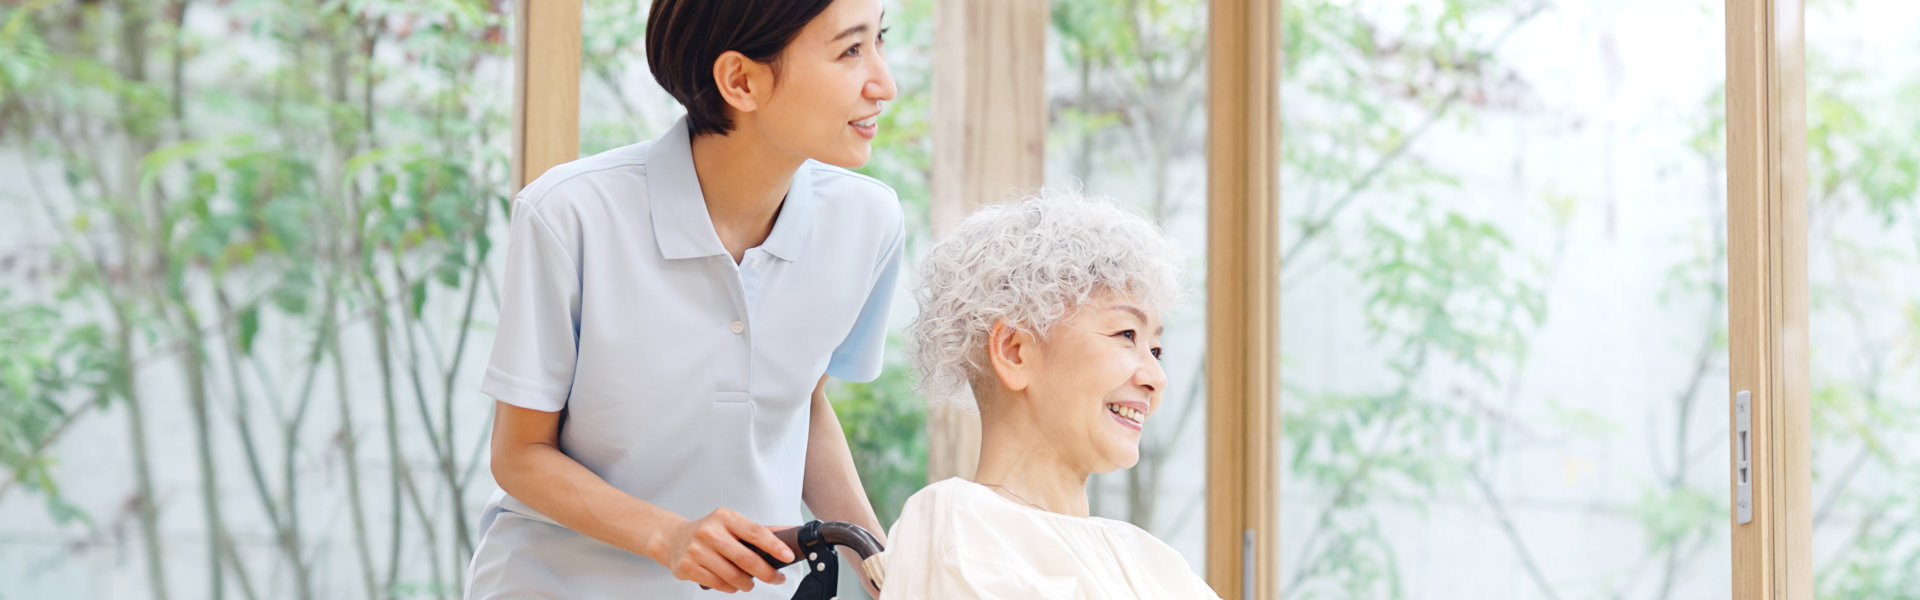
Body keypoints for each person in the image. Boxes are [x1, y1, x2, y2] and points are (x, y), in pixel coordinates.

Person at [466, 0, 900, 597]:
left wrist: (886, 571)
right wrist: (670, 536)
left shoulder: (867, 221)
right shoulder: (570, 215)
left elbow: (803, 406)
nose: (885, 83)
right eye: (851, 50)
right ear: (741, 80)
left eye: (881, 41)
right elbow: (520, 455)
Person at [872, 192, 1221, 599]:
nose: (1156, 377)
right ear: (1015, 352)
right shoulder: (961, 526)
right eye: (1126, 334)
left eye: (1155, 350)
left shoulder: (1153, 563)